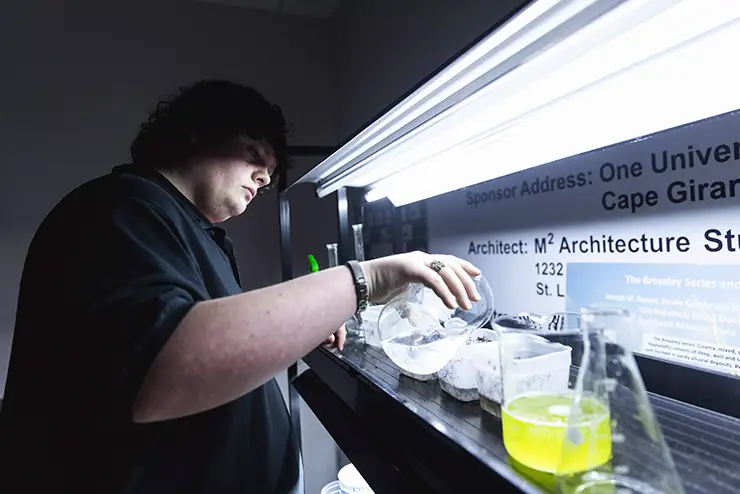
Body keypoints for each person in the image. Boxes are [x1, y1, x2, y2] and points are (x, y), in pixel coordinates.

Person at [0, 79, 481, 494]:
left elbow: (213, 350)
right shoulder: (119, 210)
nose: (265, 176)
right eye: (253, 154)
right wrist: (366, 278)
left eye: (270, 173)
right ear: (197, 133)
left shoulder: (196, 234)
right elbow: (165, 368)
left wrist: (297, 327)